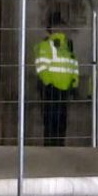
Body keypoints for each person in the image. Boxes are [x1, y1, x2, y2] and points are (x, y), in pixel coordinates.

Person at [34, 11, 78, 146]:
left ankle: (60, 148)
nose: (61, 29)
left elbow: (73, 64)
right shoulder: (45, 44)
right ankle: (49, 149)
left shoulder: (68, 45)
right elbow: (41, 67)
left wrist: (74, 83)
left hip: (64, 90)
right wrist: (49, 83)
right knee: (50, 121)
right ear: (50, 28)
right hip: (50, 89)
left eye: (62, 26)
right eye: (57, 26)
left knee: (62, 121)